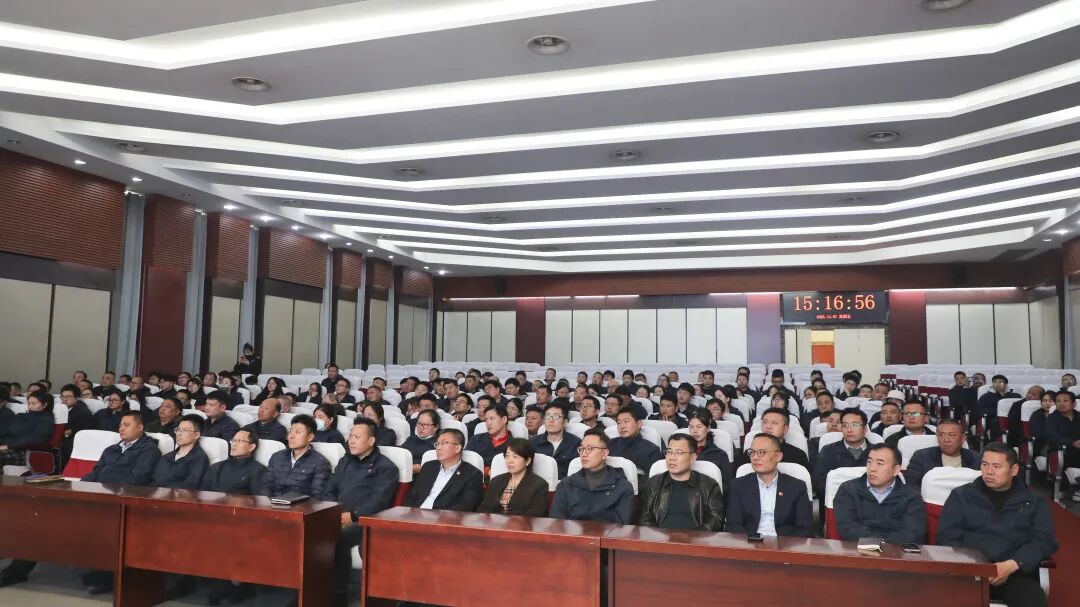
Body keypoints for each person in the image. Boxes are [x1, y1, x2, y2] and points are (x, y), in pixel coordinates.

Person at [0, 410, 161, 592]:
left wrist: (105, 477)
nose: (121, 429)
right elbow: (94, 473)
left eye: (126, 425)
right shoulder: (112, 449)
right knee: (42, 517)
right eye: (120, 425)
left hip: (118, 503)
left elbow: (137, 479)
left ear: (140, 427)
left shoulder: (149, 450)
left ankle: (106, 575)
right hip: (94, 497)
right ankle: (18, 569)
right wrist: (81, 488)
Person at [937, 443, 1057, 607]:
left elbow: (1043, 540)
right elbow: (946, 538)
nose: (989, 471)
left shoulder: (1033, 500)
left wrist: (1012, 564)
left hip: (1013, 573)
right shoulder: (961, 496)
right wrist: (976, 567)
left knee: (1033, 601)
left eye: (996, 466)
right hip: (968, 572)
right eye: (985, 465)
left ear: (1014, 470)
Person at [326, 417, 399, 606]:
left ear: (371, 440)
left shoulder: (386, 467)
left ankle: (338, 594)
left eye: (357, 437)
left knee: (336, 538)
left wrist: (352, 516)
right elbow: (330, 488)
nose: (351, 441)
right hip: (336, 515)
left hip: (363, 520)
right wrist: (333, 511)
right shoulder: (345, 461)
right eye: (350, 436)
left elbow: (379, 502)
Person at [833, 444, 926, 544]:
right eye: (869, 462)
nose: (872, 469)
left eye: (880, 464)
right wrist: (878, 542)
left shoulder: (911, 496)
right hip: (857, 548)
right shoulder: (848, 490)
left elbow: (913, 532)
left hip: (896, 550)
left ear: (895, 470)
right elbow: (847, 528)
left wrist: (884, 543)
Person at [726, 433, 813, 538]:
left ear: (778, 456)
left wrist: (782, 544)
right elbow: (733, 525)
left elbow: (804, 528)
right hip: (749, 542)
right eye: (752, 452)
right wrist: (753, 542)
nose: (755, 457)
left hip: (784, 543)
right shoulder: (738, 485)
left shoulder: (797, 487)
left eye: (761, 452)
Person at [639, 434, 724, 531]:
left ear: (692, 457)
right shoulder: (654, 483)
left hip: (696, 539)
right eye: (669, 452)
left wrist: (694, 537)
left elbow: (715, 520)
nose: (672, 458)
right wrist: (659, 537)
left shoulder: (709, 485)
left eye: (678, 453)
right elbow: (644, 519)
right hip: (660, 539)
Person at [550, 429, 634, 523]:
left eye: (590, 448)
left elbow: (622, 527)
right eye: (581, 449)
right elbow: (557, 522)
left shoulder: (623, 487)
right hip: (571, 532)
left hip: (606, 532)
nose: (583, 454)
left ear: (604, 453)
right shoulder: (565, 485)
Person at [405, 429, 484, 511]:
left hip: (444, 517)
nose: (438, 448)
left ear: (457, 448)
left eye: (444, 443)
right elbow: (412, 496)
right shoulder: (428, 467)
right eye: (437, 444)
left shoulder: (472, 474)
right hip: (416, 514)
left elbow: (467, 505)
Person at [260, 414, 331, 498]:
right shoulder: (277, 457)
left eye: (298, 432)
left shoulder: (321, 463)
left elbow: (317, 496)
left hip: (301, 505)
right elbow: (265, 486)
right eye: (290, 431)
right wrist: (266, 503)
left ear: (310, 437)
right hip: (271, 503)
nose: (291, 436)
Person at [478, 438, 549, 516]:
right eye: (507, 456)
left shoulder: (539, 485)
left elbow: (534, 517)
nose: (509, 461)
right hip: (493, 523)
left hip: (522, 524)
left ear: (528, 461)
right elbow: (483, 510)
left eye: (515, 457)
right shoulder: (496, 481)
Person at [904, 418, 979, 491]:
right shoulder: (921, 457)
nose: (946, 440)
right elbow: (911, 487)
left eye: (952, 435)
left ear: (963, 438)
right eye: (941, 435)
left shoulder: (976, 458)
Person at [812, 408, 871, 496]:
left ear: (865, 429)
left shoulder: (877, 452)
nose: (849, 430)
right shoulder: (828, 451)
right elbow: (818, 482)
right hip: (836, 500)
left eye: (854, 425)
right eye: (845, 425)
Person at [735, 407, 810, 471]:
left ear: (785, 429)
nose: (768, 427)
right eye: (765, 422)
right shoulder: (750, 453)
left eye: (774, 423)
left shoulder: (798, 456)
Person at [151, 414, 210, 490]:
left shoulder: (199, 459)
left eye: (184, 430)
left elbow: (190, 486)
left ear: (196, 435)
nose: (178, 434)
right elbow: (155, 478)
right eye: (178, 430)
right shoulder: (167, 456)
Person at [608, 406, 663, 486]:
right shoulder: (609, 444)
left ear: (639, 424)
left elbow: (653, 480)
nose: (622, 426)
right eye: (618, 423)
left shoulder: (652, 450)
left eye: (626, 421)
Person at [202, 428, 265, 495]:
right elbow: (201, 494)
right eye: (233, 440)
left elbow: (259, 499)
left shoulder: (259, 471)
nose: (234, 444)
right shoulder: (215, 467)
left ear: (251, 447)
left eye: (240, 441)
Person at [0, 392, 55, 467]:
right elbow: (7, 430)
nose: (30, 406)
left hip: (25, 452)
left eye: (34, 404)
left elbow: (33, 439)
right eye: (29, 403)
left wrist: (7, 446)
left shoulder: (46, 421)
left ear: (45, 405)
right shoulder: (22, 416)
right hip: (8, 446)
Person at [530, 401, 582, 479]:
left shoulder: (576, 443)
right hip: (537, 484)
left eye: (556, 416)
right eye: (548, 416)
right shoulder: (532, 442)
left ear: (565, 422)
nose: (551, 420)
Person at [685, 409, 732, 492]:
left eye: (699, 427)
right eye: (691, 427)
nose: (695, 431)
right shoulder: (682, 451)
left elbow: (726, 485)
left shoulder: (720, 455)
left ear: (708, 428)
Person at [1045, 390, 1080, 500]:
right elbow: (1053, 438)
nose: (1061, 403)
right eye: (1058, 401)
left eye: (1065, 401)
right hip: (1061, 451)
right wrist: (1073, 443)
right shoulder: (1052, 418)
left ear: (1074, 404)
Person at [57, 384, 94, 464]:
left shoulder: (82, 412)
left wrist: (59, 436)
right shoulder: (62, 409)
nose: (65, 399)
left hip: (75, 442)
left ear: (77, 398)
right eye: (63, 397)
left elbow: (70, 432)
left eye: (68, 397)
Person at [978, 375, 1021, 441]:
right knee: (996, 423)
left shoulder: (1015, 396)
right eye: (995, 382)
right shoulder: (986, 397)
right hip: (994, 419)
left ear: (1006, 384)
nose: (997, 384)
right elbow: (980, 410)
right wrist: (999, 411)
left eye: (1000, 382)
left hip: (1012, 419)